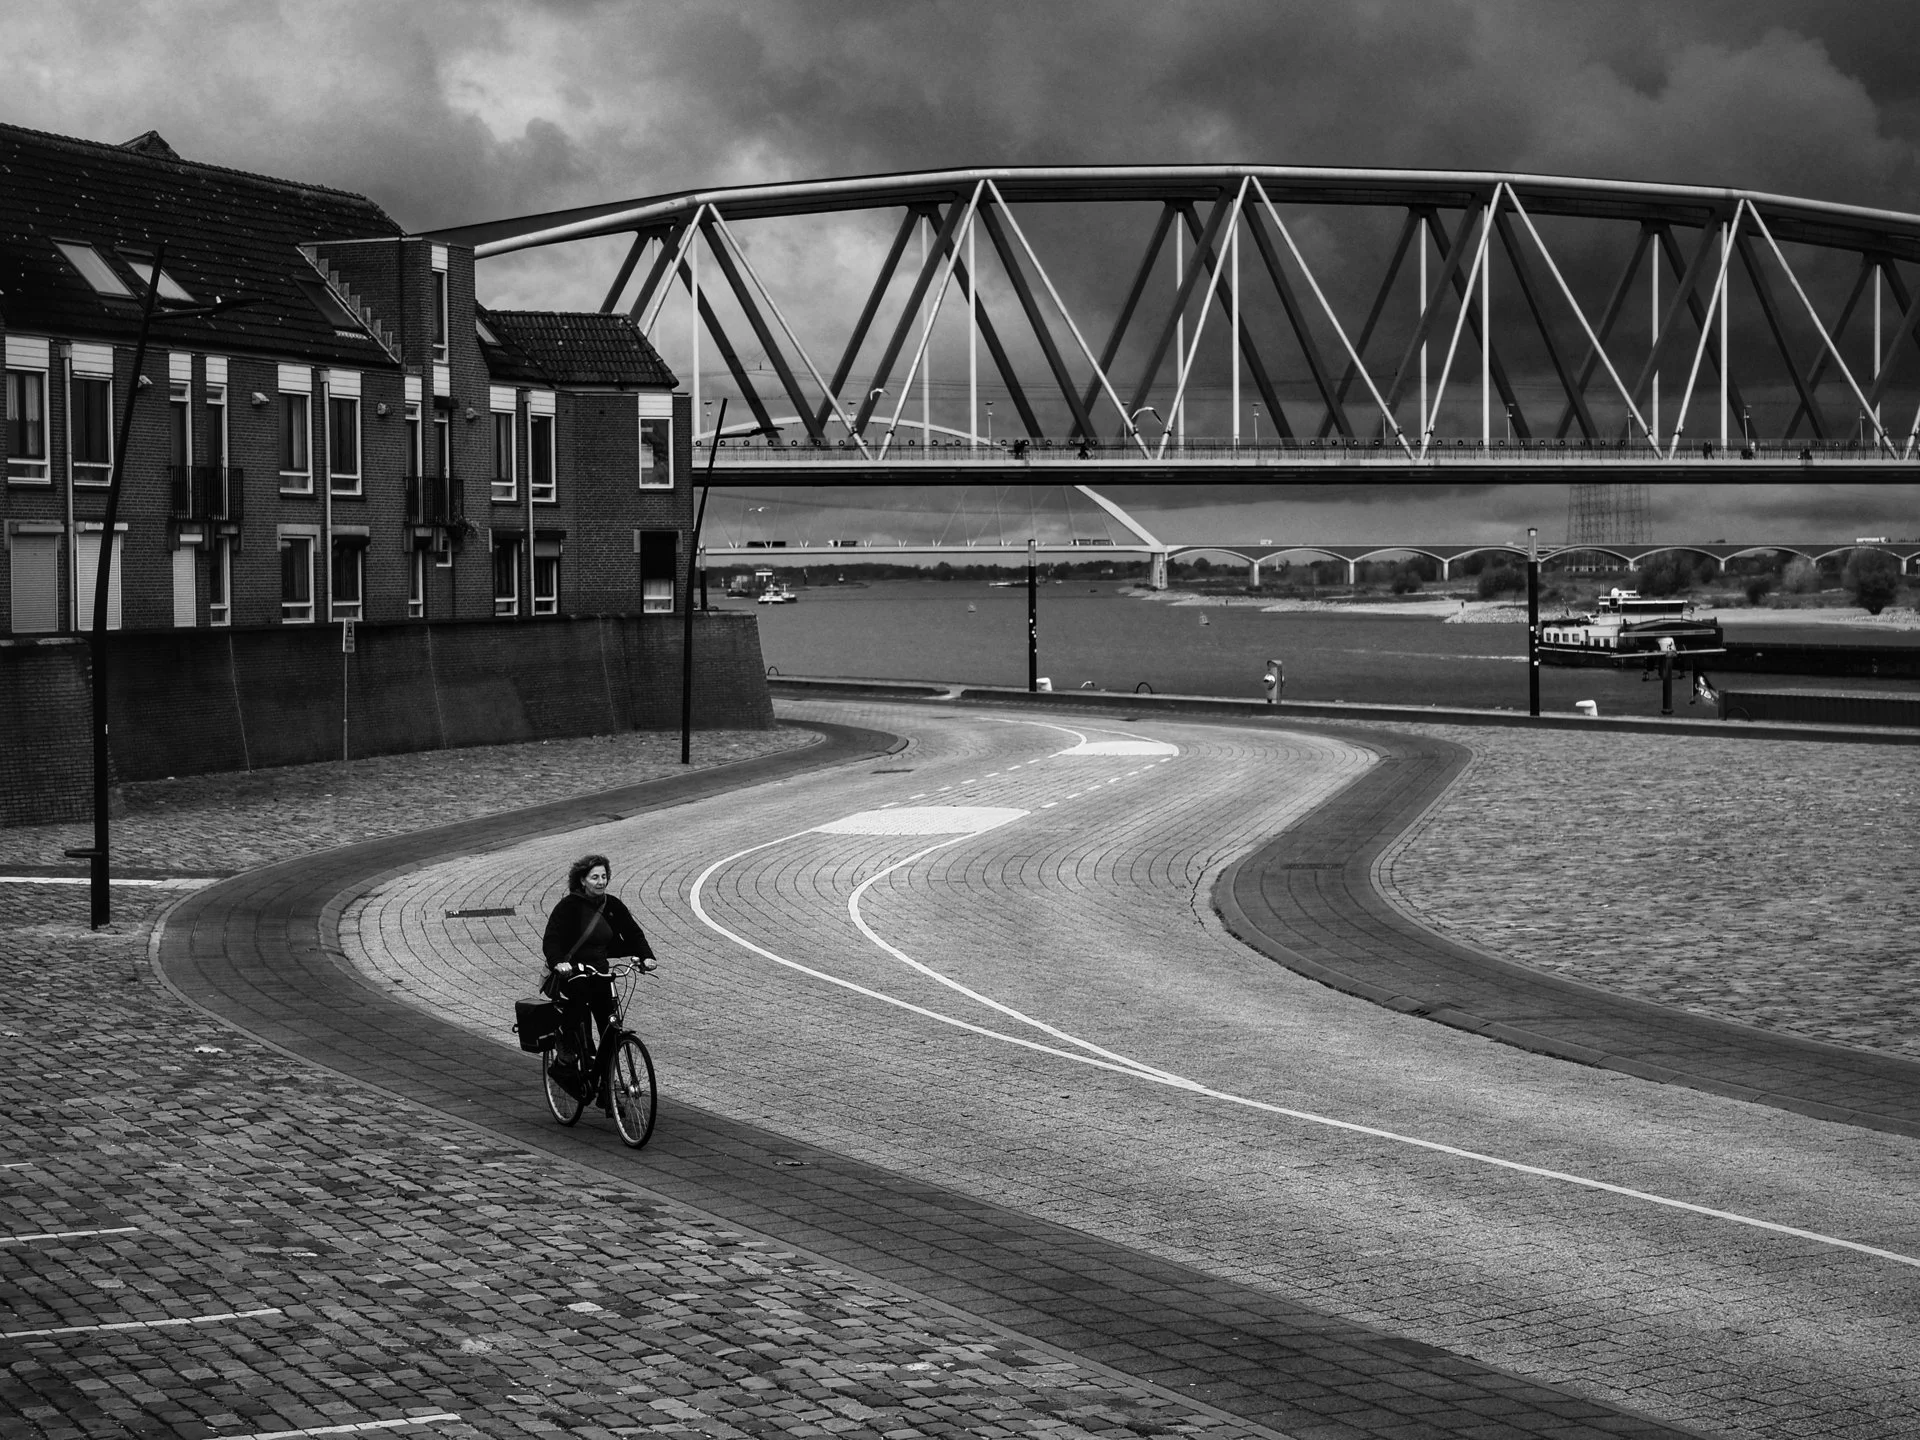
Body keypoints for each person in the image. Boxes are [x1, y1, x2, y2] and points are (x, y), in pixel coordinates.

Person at [542, 853, 656, 1106]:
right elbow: (552, 939)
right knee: (577, 1011)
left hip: (600, 973)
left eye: (604, 876)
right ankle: (566, 1053)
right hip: (573, 973)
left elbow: (633, 933)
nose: (601, 881)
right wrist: (558, 962)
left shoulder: (612, 905)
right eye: (595, 877)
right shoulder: (568, 906)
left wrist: (646, 957)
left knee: (609, 1025)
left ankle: (605, 1086)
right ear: (582, 880)